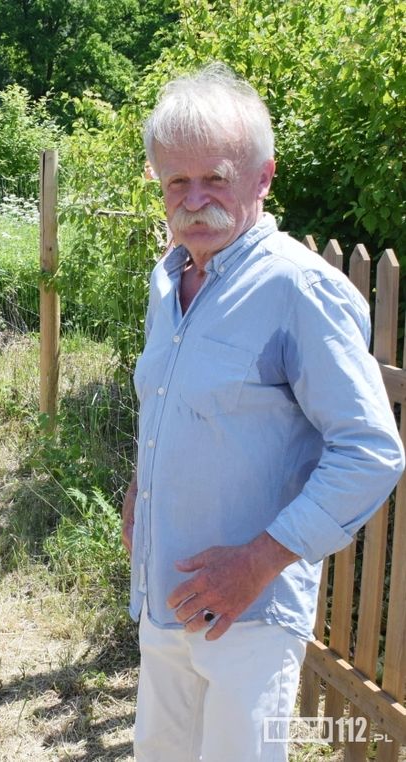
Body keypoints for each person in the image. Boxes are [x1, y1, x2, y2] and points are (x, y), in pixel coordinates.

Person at [123, 63, 405, 761]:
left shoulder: (299, 290)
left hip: (248, 617)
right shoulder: (169, 280)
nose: (194, 201)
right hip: (164, 602)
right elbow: (168, 406)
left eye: (214, 179)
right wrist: (137, 493)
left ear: (263, 177)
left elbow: (371, 450)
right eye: (176, 183)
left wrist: (257, 562)